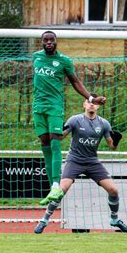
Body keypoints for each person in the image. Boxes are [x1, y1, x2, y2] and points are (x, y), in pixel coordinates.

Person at [34, 99, 127, 234]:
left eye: (94, 103)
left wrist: (116, 140)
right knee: (60, 191)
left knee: (113, 190)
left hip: (92, 162)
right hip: (74, 160)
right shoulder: (75, 120)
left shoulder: (104, 124)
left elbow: (112, 146)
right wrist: (58, 128)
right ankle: (44, 221)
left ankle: (114, 219)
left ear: (97, 106)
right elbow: (61, 137)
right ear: (84, 105)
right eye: (89, 102)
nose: (92, 104)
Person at [33, 31, 106, 204]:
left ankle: (57, 185)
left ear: (56, 42)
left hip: (55, 107)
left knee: (55, 141)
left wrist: (90, 98)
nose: (49, 42)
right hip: (38, 107)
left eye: (52, 40)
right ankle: (53, 189)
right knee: (44, 144)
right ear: (42, 42)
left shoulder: (64, 61)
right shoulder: (36, 57)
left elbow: (75, 82)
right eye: (46, 40)